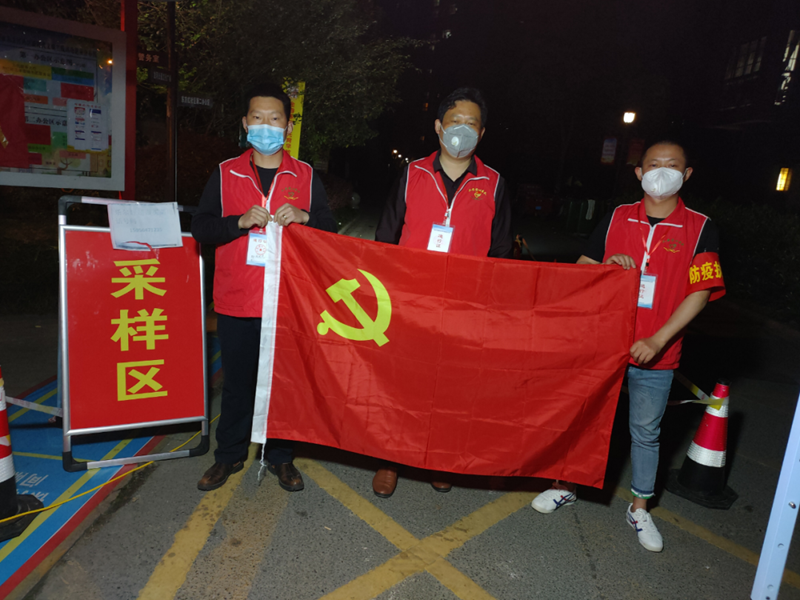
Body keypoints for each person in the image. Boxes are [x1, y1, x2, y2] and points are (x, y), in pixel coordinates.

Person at [530, 141, 725, 552]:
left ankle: (639, 507)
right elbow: (583, 268)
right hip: (602, 346)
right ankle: (565, 485)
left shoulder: (701, 227)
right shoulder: (617, 216)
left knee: (646, 432)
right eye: (653, 164)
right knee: (582, 419)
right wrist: (606, 267)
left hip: (656, 352)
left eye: (672, 165)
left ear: (686, 174)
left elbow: (701, 292)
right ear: (639, 172)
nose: (662, 171)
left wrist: (658, 340)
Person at [191, 83, 337, 492]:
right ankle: (229, 455)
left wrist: (307, 218)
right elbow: (201, 227)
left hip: (290, 300)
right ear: (245, 123)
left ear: (288, 127)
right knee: (237, 385)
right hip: (237, 299)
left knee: (284, 384)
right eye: (258, 117)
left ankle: (280, 457)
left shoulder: (305, 175)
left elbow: (330, 230)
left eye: (275, 119)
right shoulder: (225, 173)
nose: (266, 126)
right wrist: (236, 223)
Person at [373, 87, 513, 498]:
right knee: (401, 384)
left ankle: (439, 458)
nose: (462, 129)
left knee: (450, 388)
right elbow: (386, 236)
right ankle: (390, 459)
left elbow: (502, 251)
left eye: (471, 123)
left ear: (482, 133)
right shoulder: (412, 173)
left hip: (464, 307)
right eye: (455, 121)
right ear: (438, 126)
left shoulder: (494, 183)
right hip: (410, 302)